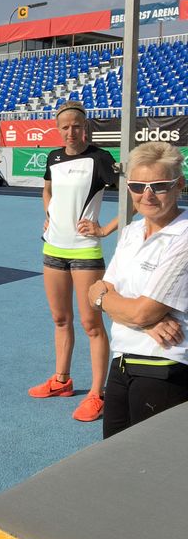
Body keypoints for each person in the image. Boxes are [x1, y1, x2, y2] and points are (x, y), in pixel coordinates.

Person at [88, 143, 188, 438]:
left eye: (159, 186)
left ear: (179, 185)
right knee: (112, 457)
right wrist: (143, 321)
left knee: (154, 462)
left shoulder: (183, 236)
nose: (147, 195)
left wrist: (114, 303)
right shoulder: (131, 232)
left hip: (165, 364)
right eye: (137, 186)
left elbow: (137, 308)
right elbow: (95, 292)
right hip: (121, 361)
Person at [35, 102, 119, 423]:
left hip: (85, 252)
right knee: (60, 319)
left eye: (77, 126)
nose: (71, 132)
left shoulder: (100, 158)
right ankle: (61, 381)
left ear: (85, 128)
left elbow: (132, 197)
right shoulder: (53, 158)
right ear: (58, 129)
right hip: (53, 248)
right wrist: (50, 214)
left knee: (91, 324)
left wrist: (104, 229)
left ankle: (97, 393)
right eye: (65, 127)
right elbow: (47, 190)